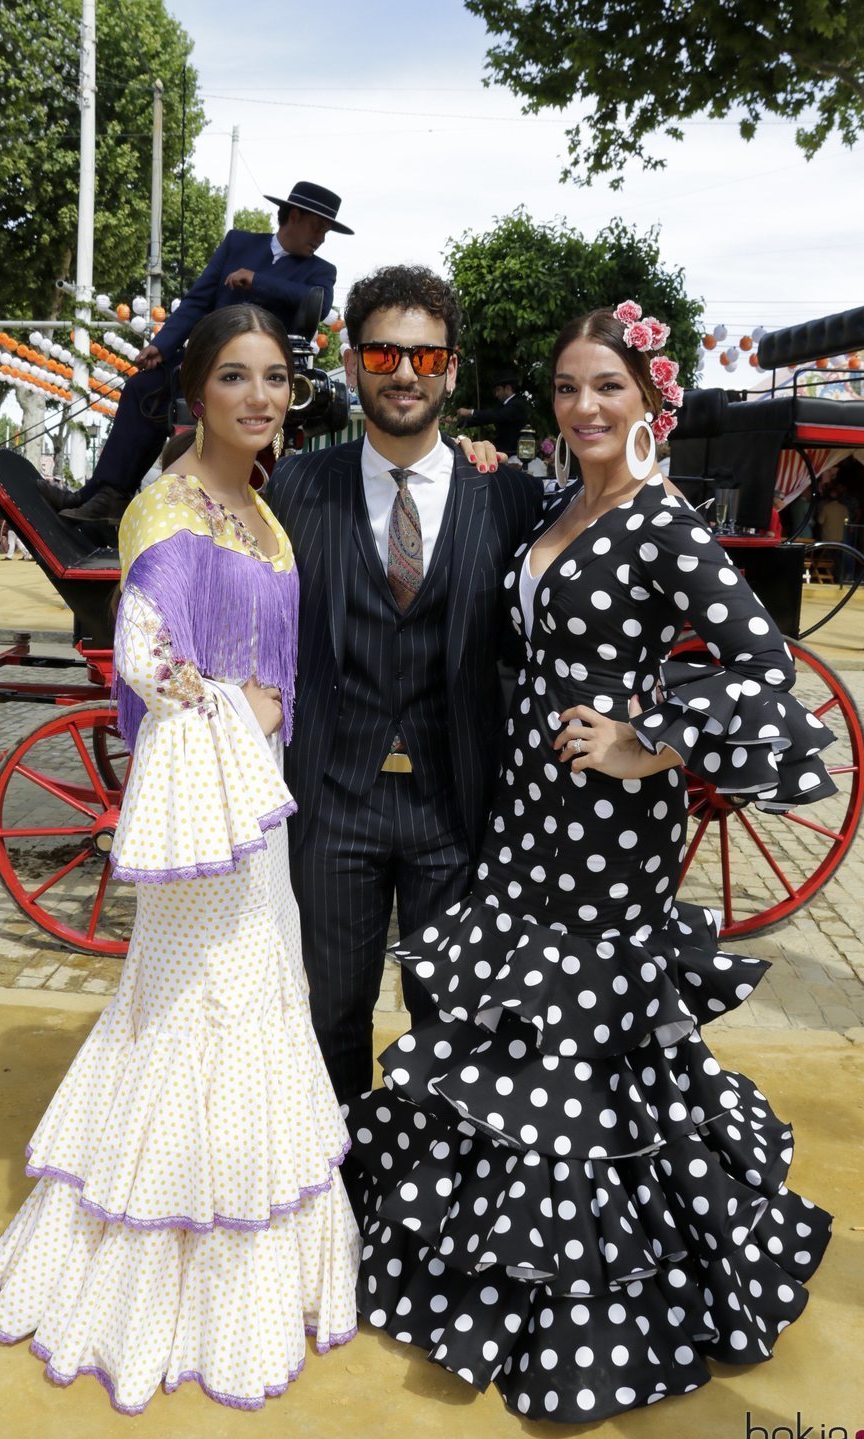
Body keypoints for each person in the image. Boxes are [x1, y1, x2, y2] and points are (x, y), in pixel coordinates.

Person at [342, 303, 836, 1424]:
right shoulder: (564, 502)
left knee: (581, 1053)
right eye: (567, 389)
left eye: (605, 388)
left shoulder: (658, 521)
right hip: (524, 813)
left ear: (648, 399)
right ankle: (490, 1274)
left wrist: (646, 744)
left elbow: (763, 664)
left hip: (610, 829)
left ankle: (582, 1315)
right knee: (517, 1034)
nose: (583, 408)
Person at [0, 304, 360, 1414]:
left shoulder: (259, 507)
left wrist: (258, 716)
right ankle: (160, 1279)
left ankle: (247, 1264)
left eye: (276, 378)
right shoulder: (169, 507)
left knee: (253, 1006)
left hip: (257, 804)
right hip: (210, 811)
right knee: (197, 1008)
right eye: (234, 376)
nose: (258, 396)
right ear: (195, 391)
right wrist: (229, 705)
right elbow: (144, 658)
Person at [266, 266, 544, 1103]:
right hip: (330, 798)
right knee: (332, 1015)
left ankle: (431, 1205)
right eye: (384, 353)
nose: (404, 374)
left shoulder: (510, 495)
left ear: (452, 370)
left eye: (426, 359)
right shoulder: (296, 487)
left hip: (456, 804)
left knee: (451, 1018)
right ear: (352, 365)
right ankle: (339, 1198)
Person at [51, 181, 353, 526]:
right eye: (318, 226)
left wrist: (256, 280)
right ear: (294, 216)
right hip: (207, 360)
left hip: (260, 375)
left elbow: (319, 301)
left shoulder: (321, 271)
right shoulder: (238, 244)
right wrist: (161, 347)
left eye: (327, 231)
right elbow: (197, 301)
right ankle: (105, 496)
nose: (321, 238)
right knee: (143, 389)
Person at [456, 368, 530, 457]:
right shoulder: (503, 406)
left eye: (498, 390)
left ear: (508, 388)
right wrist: (458, 422)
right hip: (504, 453)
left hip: (515, 455)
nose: (496, 394)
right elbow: (484, 419)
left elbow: (495, 416)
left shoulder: (517, 404)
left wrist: (470, 412)